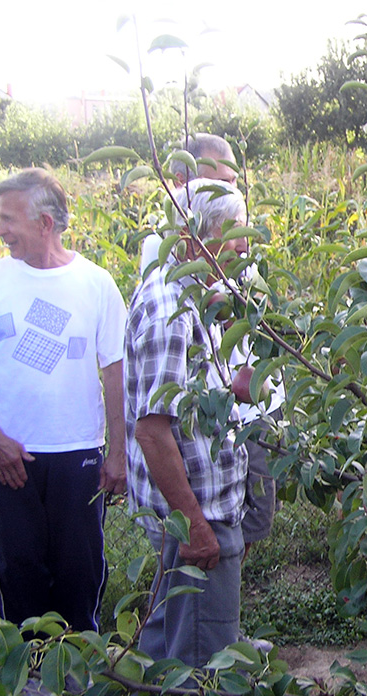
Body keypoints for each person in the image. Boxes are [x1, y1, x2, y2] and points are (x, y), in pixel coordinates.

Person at [0, 168, 127, 632]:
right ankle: (25, 670)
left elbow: (114, 372)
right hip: (11, 457)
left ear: (45, 223)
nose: (0, 230)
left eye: (8, 219)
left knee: (79, 571)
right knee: (20, 570)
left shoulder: (96, 284)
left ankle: (82, 668)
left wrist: (118, 455)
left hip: (77, 455)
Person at [125, 178, 250, 665]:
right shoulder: (168, 312)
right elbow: (152, 431)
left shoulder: (193, 291)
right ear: (198, 235)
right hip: (197, 515)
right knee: (205, 653)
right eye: (236, 230)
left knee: (173, 631)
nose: (244, 243)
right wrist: (195, 526)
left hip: (196, 507)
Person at [140, 133, 238, 274]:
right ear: (181, 182)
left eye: (234, 181)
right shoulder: (161, 244)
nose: (233, 192)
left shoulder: (236, 234)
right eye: (221, 184)